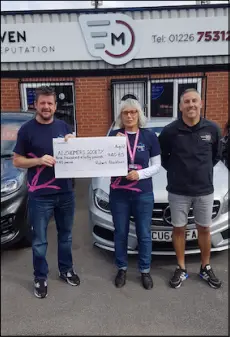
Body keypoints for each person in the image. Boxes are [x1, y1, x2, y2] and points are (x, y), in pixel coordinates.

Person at [13, 86, 79, 299]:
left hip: (65, 192)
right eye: (42, 103)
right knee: (40, 240)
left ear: (55, 106)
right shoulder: (26, 130)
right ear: (35, 104)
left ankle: (66, 269)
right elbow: (17, 160)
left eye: (50, 103)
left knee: (66, 236)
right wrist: (39, 160)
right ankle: (40, 276)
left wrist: (74, 143)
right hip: (40, 195)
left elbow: (76, 154)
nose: (46, 107)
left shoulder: (63, 126)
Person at [158, 88, 222, 289]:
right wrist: (179, 172)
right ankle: (181, 268)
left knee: (204, 228)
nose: (191, 105)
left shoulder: (212, 129)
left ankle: (205, 267)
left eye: (194, 101)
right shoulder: (169, 131)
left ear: (201, 104)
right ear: (180, 106)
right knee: (179, 229)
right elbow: (163, 158)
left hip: (204, 190)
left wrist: (200, 172)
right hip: (178, 190)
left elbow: (216, 156)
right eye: (186, 102)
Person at [109, 98, 161, 290]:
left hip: (143, 193)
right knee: (121, 233)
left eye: (133, 112)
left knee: (144, 234)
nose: (130, 116)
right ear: (120, 117)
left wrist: (139, 174)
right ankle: (121, 268)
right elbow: (100, 162)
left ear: (139, 115)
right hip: (119, 194)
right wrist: (112, 146)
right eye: (125, 113)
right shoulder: (113, 136)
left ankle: (145, 270)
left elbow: (157, 166)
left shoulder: (149, 136)